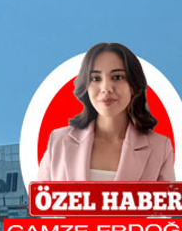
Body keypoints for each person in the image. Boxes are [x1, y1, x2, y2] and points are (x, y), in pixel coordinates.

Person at [36, 42, 174, 182]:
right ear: (86, 86)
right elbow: (39, 201)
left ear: (133, 85)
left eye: (117, 77)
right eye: (96, 78)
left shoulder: (160, 148)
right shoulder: (58, 141)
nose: (106, 88)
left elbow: (168, 203)